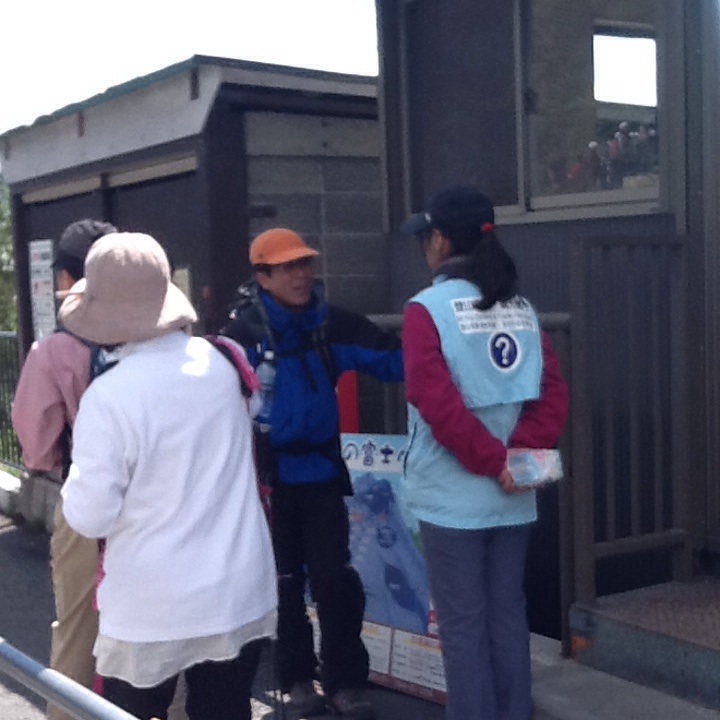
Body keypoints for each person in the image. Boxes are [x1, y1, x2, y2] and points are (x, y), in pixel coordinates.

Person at [58, 232, 277, 720]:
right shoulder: (225, 361)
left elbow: (91, 517)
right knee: (224, 710)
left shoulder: (109, 397)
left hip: (151, 605)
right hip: (237, 587)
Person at [399, 186, 569, 720]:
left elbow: (435, 401)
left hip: (452, 499)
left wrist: (493, 462)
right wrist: (517, 459)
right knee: (507, 618)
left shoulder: (426, 310)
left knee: (463, 628)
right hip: (513, 495)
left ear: (440, 240)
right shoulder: (521, 308)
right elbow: (552, 392)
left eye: (426, 237)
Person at [221, 228, 404, 719]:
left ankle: (345, 680)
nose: (301, 275)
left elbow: (396, 360)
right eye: (287, 267)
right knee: (283, 582)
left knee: (333, 578)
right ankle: (296, 677)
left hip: (320, 472)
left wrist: (445, 349)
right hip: (268, 479)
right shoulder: (242, 337)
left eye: (304, 264)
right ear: (262, 277)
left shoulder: (331, 323)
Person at [12, 218, 117, 720]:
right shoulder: (160, 334)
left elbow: (36, 449)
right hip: (159, 502)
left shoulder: (56, 348)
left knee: (77, 631)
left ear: (66, 278)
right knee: (160, 638)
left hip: (86, 500)